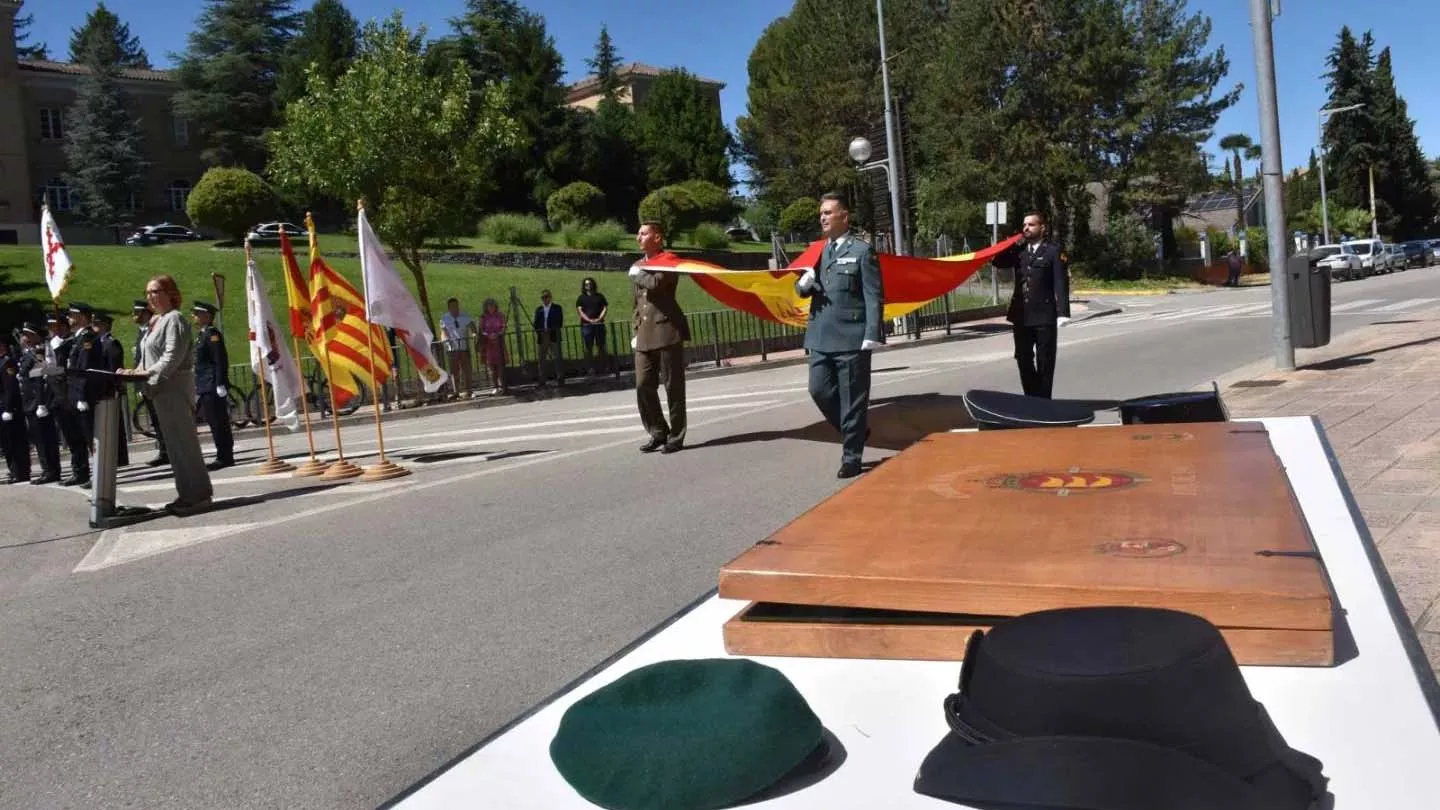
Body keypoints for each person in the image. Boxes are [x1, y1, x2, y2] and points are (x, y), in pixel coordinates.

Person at [794, 193, 884, 479]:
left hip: (851, 336)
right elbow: (802, 288)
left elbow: (873, 295)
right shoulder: (817, 251)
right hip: (820, 334)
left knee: (853, 398)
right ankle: (854, 430)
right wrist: (803, 285)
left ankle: (851, 456)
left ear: (844, 216)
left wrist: (872, 333)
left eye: (828, 212)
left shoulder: (862, 251)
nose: (822, 217)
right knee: (818, 390)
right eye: (821, 213)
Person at [122, 275, 212, 516]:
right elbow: (148, 354)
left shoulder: (175, 319)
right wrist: (134, 371)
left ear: (170, 293)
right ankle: (187, 494)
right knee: (174, 446)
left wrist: (148, 374)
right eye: (148, 292)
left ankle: (199, 495)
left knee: (185, 443)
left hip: (173, 387)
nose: (151, 296)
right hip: (159, 388)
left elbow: (172, 354)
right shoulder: (156, 321)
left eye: (156, 291)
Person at [991, 212, 1071, 400]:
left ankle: (1043, 401)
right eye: (1024, 225)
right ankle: (1032, 397)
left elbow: (1060, 282)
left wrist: (1063, 312)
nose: (1026, 228)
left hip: (1044, 315)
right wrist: (1009, 243)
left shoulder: (1053, 251)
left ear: (1042, 228)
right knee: (1023, 358)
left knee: (1045, 361)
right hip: (1021, 316)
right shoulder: (1019, 252)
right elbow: (996, 261)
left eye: (1031, 225)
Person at [628, 221, 691, 454]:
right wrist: (635, 330)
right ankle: (657, 431)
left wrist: (637, 273)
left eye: (644, 233)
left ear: (657, 237)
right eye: (638, 233)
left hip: (667, 332)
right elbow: (636, 303)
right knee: (643, 385)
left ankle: (676, 435)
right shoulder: (638, 266)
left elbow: (654, 283)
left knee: (673, 387)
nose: (638, 237)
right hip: (644, 334)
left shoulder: (669, 262)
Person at [63, 302, 107, 487]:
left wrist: (81, 396)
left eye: (72, 315)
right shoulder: (78, 338)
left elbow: (85, 368)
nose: (68, 318)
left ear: (81, 316)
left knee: (92, 439)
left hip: (86, 395)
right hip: (76, 394)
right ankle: (86, 474)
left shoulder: (88, 338)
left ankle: (99, 475)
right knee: (81, 437)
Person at [191, 301, 234, 470]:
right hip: (204, 385)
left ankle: (225, 456)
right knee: (212, 421)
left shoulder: (212, 335)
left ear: (206, 316)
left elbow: (220, 361)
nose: (193, 316)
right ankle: (222, 454)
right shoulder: (202, 335)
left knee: (218, 422)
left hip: (212, 385)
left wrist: (220, 383)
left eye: (197, 313)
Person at [18, 323, 60, 484]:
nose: (24, 338)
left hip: (38, 402)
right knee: (38, 438)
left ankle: (51, 470)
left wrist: (41, 403)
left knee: (45, 439)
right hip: (30, 402)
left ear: (35, 336)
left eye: (28, 334)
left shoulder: (39, 352)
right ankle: (46, 469)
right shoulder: (28, 352)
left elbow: (39, 377)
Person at [131, 299, 167, 466]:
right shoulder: (142, 332)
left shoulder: (155, 330)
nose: (135, 315)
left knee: (162, 418)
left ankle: (167, 451)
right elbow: (140, 359)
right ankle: (164, 450)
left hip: (155, 381)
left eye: (138, 312)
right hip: (145, 382)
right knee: (156, 419)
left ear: (146, 313)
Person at [92, 311, 129, 467]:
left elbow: (114, 368)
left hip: (110, 388)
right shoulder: (97, 343)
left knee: (116, 424)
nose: (95, 327)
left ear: (105, 325)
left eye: (98, 324)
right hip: (100, 388)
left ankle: (120, 457)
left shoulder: (111, 343)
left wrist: (115, 386)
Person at [0, 330, 28, 485]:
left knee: (15, 441)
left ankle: (21, 471)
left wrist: (9, 409)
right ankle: (13, 470)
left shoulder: (7, 362)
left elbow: (10, 387)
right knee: (6, 442)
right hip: (2, 407)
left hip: (8, 408)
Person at [440, 297, 476, 398]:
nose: (455, 308)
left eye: (456, 306)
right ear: (449, 308)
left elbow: (472, 326)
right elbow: (443, 332)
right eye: (452, 307)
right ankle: (456, 391)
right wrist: (446, 341)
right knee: (454, 370)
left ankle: (469, 390)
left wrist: (474, 333)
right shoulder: (444, 318)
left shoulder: (465, 316)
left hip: (464, 346)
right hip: (452, 348)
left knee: (466, 369)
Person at [576, 277, 610, 376]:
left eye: (590, 283)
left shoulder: (600, 296)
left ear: (593, 284)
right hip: (586, 325)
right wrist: (589, 320)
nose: (588, 285)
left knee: (602, 346)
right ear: (584, 286)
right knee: (588, 347)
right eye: (586, 284)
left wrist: (599, 319)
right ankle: (590, 368)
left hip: (599, 324)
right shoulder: (581, 298)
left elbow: (605, 308)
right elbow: (580, 311)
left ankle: (603, 367)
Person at [532, 289, 564, 387]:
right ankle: (542, 380)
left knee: (557, 357)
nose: (545, 299)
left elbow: (559, 321)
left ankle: (560, 379)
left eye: (547, 297)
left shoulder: (557, 308)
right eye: (543, 297)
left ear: (550, 297)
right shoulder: (539, 309)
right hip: (542, 336)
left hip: (553, 335)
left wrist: (551, 329)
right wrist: (540, 331)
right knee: (541, 359)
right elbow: (536, 323)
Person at [478, 298, 508, 395]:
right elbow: (481, 330)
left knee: (500, 365)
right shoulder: (483, 317)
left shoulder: (500, 315)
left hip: (499, 343)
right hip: (488, 345)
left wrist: (498, 334)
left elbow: (504, 327)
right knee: (491, 366)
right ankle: (495, 386)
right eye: (489, 306)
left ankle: (502, 385)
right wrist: (488, 335)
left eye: (493, 305)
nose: (491, 307)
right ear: (486, 307)